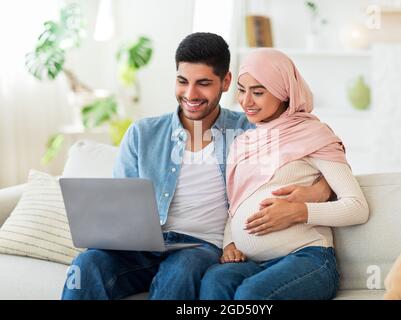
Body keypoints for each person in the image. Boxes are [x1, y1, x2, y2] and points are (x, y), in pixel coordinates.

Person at [61, 33, 332, 300]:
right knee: (87, 264)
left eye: (203, 83)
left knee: (182, 271)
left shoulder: (250, 130)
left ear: (226, 82)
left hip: (200, 247)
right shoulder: (142, 134)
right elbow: (119, 202)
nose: (190, 94)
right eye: (182, 81)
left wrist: (319, 191)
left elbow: (323, 152)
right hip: (142, 246)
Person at [199, 48, 370, 300]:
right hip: (253, 262)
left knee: (251, 295)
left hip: (308, 258)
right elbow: (236, 204)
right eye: (241, 89)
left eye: (258, 92)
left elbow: (357, 207)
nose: (246, 101)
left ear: (283, 91)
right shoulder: (243, 142)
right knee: (215, 280)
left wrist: (299, 212)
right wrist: (230, 243)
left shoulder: (312, 134)